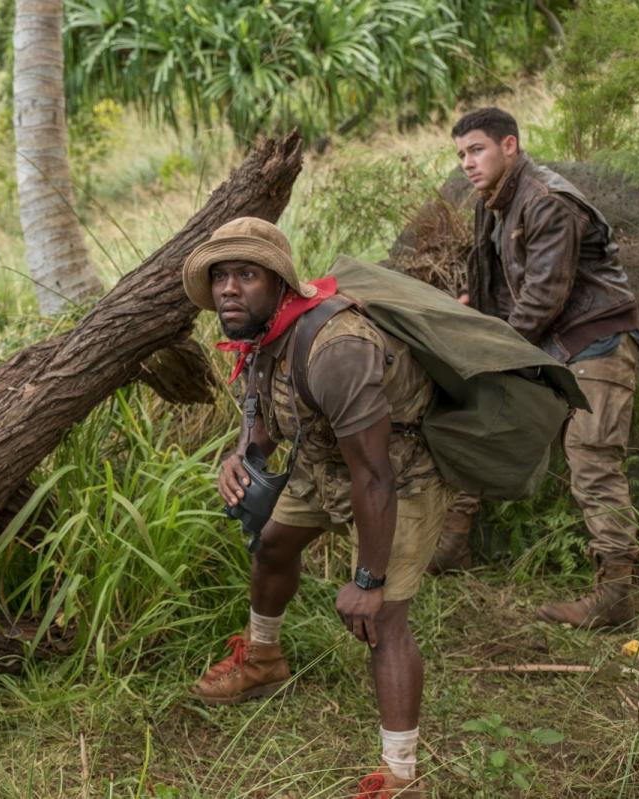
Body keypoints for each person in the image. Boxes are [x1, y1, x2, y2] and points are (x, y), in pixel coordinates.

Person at [184, 217, 448, 798]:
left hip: (396, 475)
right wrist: (239, 457)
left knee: (382, 621)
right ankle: (263, 660)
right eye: (220, 275)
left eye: (246, 274)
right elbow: (266, 421)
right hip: (324, 463)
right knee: (274, 544)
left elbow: (374, 473)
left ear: (280, 282)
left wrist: (367, 579)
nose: (229, 288)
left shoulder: (337, 348)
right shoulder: (259, 338)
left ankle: (401, 776)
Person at [440, 107, 639, 627]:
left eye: (477, 149)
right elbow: (501, 289)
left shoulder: (546, 200)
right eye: (461, 153)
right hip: (547, 345)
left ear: (510, 145)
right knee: (483, 424)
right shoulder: (496, 203)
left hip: (593, 341)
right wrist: (477, 319)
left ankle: (617, 594)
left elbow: (544, 296)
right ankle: (452, 542)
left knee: (593, 459)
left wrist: (490, 351)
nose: (467, 162)